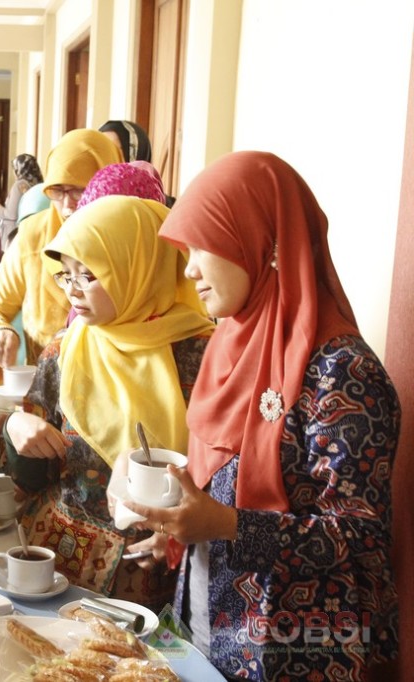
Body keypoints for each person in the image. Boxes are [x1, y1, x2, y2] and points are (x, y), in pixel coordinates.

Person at [124, 151, 399, 679]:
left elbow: (360, 538)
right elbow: (219, 485)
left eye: (202, 246)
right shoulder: (227, 343)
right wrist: (180, 530)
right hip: (201, 630)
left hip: (293, 653)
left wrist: (226, 525)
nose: (190, 268)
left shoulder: (341, 371)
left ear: (263, 241)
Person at [0, 195, 213, 608]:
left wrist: (177, 531)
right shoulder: (66, 351)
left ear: (138, 267)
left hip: (156, 577)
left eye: (89, 275)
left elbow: (224, 477)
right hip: (54, 566)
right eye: (66, 274)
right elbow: (31, 478)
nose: (72, 290)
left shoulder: (204, 356)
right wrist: (14, 428)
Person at [0, 128, 122, 384]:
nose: (67, 205)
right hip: (46, 389)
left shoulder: (130, 242)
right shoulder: (34, 235)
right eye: (57, 191)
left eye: (78, 191)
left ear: (105, 186)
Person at [0, 153, 44, 247]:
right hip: (31, 230)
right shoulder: (39, 185)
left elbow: (11, 215)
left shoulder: (19, 185)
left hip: (13, 232)